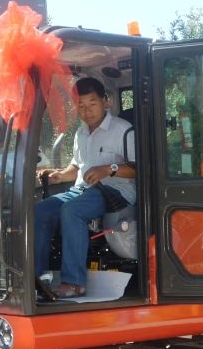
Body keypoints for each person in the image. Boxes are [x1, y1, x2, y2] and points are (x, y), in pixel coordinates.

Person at [33, 77, 137, 298]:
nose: (87, 111)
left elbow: (139, 168)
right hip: (82, 190)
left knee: (72, 210)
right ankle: (38, 279)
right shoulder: (81, 133)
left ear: (105, 101)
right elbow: (77, 167)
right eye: (81, 105)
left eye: (92, 103)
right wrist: (59, 175)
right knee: (38, 211)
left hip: (115, 191)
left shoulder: (122, 130)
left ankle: (74, 283)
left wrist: (108, 169)